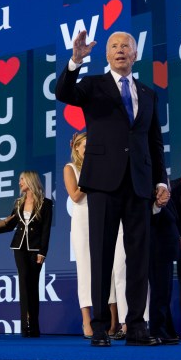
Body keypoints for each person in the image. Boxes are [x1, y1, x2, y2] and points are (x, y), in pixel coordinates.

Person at [55, 30, 169, 347]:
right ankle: (101, 326)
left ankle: (136, 327)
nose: (120, 50)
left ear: (135, 55)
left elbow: (154, 142)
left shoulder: (148, 93)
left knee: (137, 258)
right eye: (114, 46)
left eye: (126, 46)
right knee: (102, 256)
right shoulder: (93, 85)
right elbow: (62, 92)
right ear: (106, 55)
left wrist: (161, 180)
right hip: (103, 182)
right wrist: (75, 60)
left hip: (140, 183)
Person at [63, 132, 121, 339]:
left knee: (111, 268)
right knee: (87, 269)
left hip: (105, 216)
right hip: (82, 222)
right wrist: (92, 175)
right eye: (85, 146)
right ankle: (87, 320)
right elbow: (76, 196)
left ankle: (113, 321)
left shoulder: (104, 165)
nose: (89, 150)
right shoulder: (70, 169)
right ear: (76, 148)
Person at [0, 171, 52, 338]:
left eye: (21, 179)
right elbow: (10, 225)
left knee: (33, 285)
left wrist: (42, 252)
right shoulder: (18, 203)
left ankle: (34, 326)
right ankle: (25, 326)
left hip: (35, 249)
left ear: (30, 180)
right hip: (19, 248)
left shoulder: (46, 204)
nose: (19, 183)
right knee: (23, 283)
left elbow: (45, 230)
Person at [148, 161, 181, 345]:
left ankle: (166, 330)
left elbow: (178, 188)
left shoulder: (168, 189)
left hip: (167, 249)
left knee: (165, 292)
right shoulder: (152, 190)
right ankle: (157, 330)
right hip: (156, 248)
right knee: (159, 292)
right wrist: (157, 207)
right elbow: (152, 212)